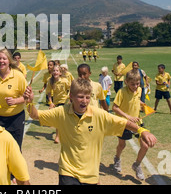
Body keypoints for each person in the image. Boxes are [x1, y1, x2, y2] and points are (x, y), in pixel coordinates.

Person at [24, 78, 157, 185]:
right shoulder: (61, 112)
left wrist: (142, 130)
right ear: (71, 96)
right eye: (80, 97)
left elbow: (122, 122)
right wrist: (30, 103)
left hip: (91, 175)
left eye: (87, 97)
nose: (85, 101)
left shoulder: (99, 115)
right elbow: (36, 115)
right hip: (67, 171)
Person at [112, 70, 150, 180]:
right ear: (126, 82)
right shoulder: (122, 92)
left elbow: (137, 102)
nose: (135, 86)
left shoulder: (139, 90)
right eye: (132, 84)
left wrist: (144, 106)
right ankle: (117, 159)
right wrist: (128, 116)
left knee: (145, 145)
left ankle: (137, 165)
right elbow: (115, 107)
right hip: (124, 123)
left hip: (137, 122)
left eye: (137, 83)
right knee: (122, 145)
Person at [0, 49, 27, 150]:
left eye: (4, 58)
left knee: (15, 149)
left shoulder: (18, 76)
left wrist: (15, 101)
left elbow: (27, 97)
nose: (1, 61)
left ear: (9, 60)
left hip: (16, 118)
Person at [46, 65, 71, 143]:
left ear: (60, 73)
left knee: (61, 119)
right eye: (54, 70)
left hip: (64, 101)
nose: (55, 72)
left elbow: (70, 89)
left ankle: (58, 136)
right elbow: (49, 93)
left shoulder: (64, 81)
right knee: (60, 119)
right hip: (56, 102)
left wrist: (69, 98)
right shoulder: (50, 81)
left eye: (57, 71)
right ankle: (59, 135)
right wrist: (51, 102)